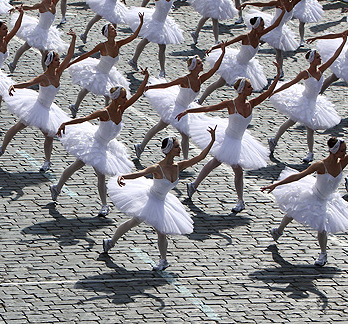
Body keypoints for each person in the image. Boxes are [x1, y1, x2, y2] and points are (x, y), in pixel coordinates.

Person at [104, 127, 217, 271]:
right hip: (150, 199)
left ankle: (163, 260)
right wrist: (123, 177)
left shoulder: (179, 166)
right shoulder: (157, 167)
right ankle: (111, 242)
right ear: (169, 149)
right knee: (134, 222)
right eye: (176, 146)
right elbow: (140, 173)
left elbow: (200, 157)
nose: (179, 149)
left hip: (163, 201)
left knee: (161, 231)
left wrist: (212, 140)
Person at [178, 64, 281, 213]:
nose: (252, 89)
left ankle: (194, 186)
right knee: (232, 169)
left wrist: (277, 76)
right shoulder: (230, 104)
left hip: (239, 141)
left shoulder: (252, 103)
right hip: (228, 139)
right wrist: (188, 110)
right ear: (242, 89)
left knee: (217, 163)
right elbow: (208, 108)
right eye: (249, 87)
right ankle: (239, 201)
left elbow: (268, 93)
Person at [51, 70, 150, 217]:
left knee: (78, 167)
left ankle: (57, 187)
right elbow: (85, 118)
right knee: (98, 174)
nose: (125, 99)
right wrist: (66, 123)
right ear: (115, 99)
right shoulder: (104, 112)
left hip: (107, 145)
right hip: (95, 143)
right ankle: (104, 205)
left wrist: (146, 78)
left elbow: (137, 94)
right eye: (123, 97)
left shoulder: (121, 108)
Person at [0, 31, 77, 172]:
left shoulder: (59, 72)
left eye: (58, 60)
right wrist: (14, 86)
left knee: (49, 136)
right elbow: (29, 82)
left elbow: (69, 56)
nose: (59, 62)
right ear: (50, 63)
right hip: (37, 107)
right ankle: (1, 148)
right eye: (56, 60)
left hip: (49, 109)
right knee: (18, 127)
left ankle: (47, 162)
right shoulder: (44, 77)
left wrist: (74, 39)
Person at [261, 137, 348, 267]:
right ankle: (279, 230)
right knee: (293, 211)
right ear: (334, 150)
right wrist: (276, 184)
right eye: (342, 150)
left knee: (322, 227)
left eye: (345, 150)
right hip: (315, 195)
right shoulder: (320, 165)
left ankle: (323, 254)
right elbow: (298, 176)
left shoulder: (343, 162)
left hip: (329, 198)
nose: (344, 153)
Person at [134, 44, 225, 160]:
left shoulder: (200, 79)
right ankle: (184, 160)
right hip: (176, 107)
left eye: (201, 63)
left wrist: (222, 53)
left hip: (186, 108)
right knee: (177, 132)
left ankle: (141, 146)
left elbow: (215, 69)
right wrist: (150, 87)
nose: (202, 65)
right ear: (193, 67)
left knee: (165, 128)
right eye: (199, 63)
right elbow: (167, 85)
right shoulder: (185, 80)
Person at [268, 42, 345, 163]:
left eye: (320, 57)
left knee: (309, 127)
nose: (320, 59)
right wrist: (273, 91)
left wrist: (344, 42)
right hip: (304, 101)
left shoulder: (321, 70)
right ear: (312, 60)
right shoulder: (305, 73)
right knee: (293, 122)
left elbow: (335, 56)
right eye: (318, 57)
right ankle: (276, 140)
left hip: (314, 102)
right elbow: (290, 83)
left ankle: (308, 152)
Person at [198, 10, 286, 104]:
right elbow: (228, 43)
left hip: (247, 65)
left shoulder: (259, 35)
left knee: (242, 90)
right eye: (261, 25)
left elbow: (275, 25)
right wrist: (212, 48)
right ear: (256, 27)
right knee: (220, 83)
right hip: (236, 64)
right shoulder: (245, 37)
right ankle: (200, 100)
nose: (263, 27)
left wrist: (283, 12)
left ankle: (241, 107)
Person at [123, 0, 191, 77]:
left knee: (160, 45)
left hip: (163, 23)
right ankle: (139, 62)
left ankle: (159, 69)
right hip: (154, 21)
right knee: (148, 41)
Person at [67, 17, 144, 118]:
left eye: (114, 29)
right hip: (98, 70)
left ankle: (108, 114)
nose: (115, 30)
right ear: (107, 33)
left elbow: (133, 36)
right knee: (87, 87)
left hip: (108, 73)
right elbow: (86, 55)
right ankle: (75, 107)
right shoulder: (102, 46)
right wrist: (70, 63)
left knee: (108, 94)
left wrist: (141, 23)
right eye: (112, 29)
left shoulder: (118, 44)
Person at [241, 0, 314, 76]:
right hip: (272, 26)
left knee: (277, 50)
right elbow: (263, 4)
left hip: (280, 28)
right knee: (259, 42)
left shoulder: (293, 2)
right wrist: (248, 3)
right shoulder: (278, 2)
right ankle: (244, 56)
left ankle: (280, 71)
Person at [7, 0, 69, 74]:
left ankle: (45, 73)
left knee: (44, 53)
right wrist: (16, 7)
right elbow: (30, 7)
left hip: (47, 31)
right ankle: (13, 63)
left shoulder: (54, 2)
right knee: (27, 48)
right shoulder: (42, 5)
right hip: (38, 31)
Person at [307, 21, 348, 106]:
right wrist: (318, 37)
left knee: (336, 78)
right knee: (333, 77)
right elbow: (335, 36)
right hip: (347, 61)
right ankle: (317, 95)